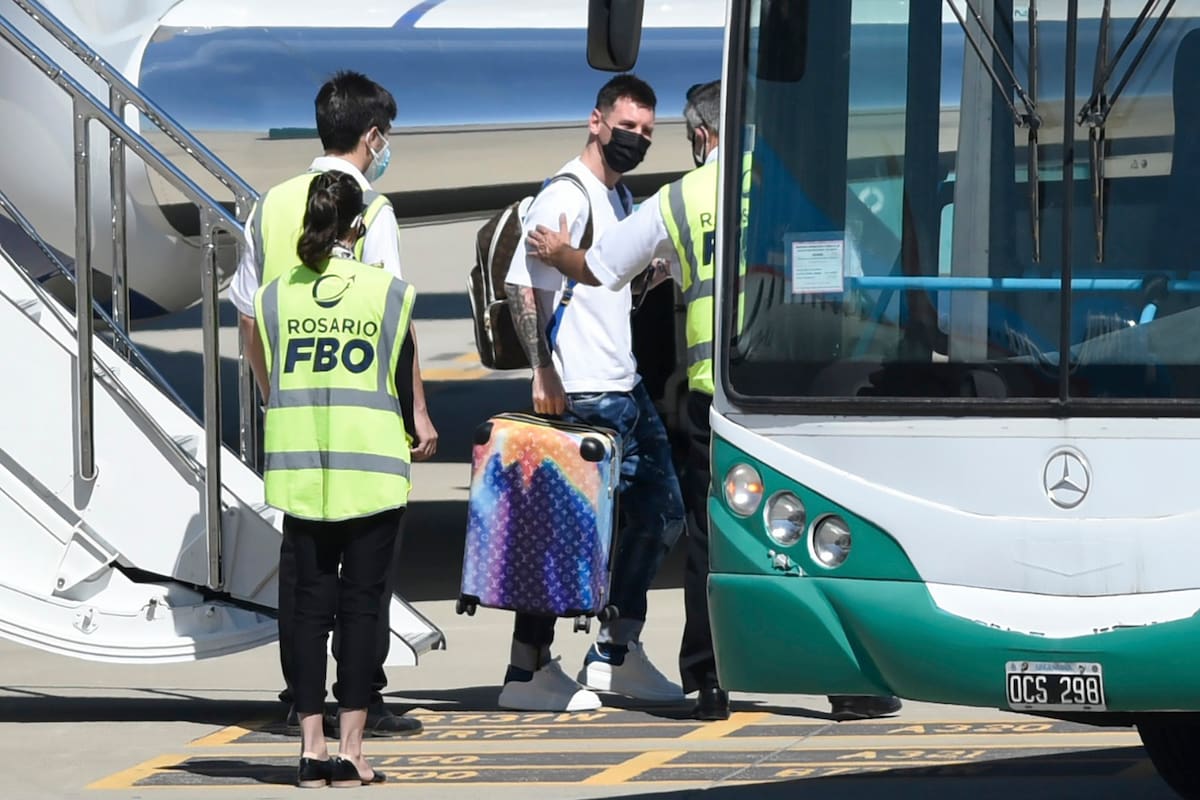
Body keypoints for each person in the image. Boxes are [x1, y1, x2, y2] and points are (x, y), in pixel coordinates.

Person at [527, 80, 904, 723]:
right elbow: (875, 259)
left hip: (721, 396)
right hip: (803, 387)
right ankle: (848, 683)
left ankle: (707, 680)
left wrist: (562, 253)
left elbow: (602, 267)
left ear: (703, 136)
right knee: (823, 533)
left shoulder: (685, 195)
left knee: (713, 540)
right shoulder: (800, 183)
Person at [230, 70, 433, 736]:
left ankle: (303, 704)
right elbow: (393, 322)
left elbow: (250, 320)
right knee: (363, 584)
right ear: (372, 137)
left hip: (297, 425)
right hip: (364, 430)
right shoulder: (369, 208)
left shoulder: (270, 204)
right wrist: (417, 413)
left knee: (305, 579)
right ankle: (360, 702)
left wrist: (274, 393)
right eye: (388, 137)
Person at [499, 73, 686, 712]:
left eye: (646, 132)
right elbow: (521, 285)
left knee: (661, 513)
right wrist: (542, 368)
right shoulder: (568, 194)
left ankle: (615, 649)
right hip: (578, 390)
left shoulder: (619, 198)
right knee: (564, 534)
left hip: (623, 387)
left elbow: (604, 283)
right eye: (626, 126)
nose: (635, 139)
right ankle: (527, 671)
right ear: (596, 121)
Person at [248, 170, 418, 786]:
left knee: (304, 610)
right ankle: (353, 747)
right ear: (359, 226)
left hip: (301, 474)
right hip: (371, 472)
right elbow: (397, 371)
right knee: (362, 608)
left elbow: (266, 364)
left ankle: (310, 745)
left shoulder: (275, 296)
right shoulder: (387, 293)